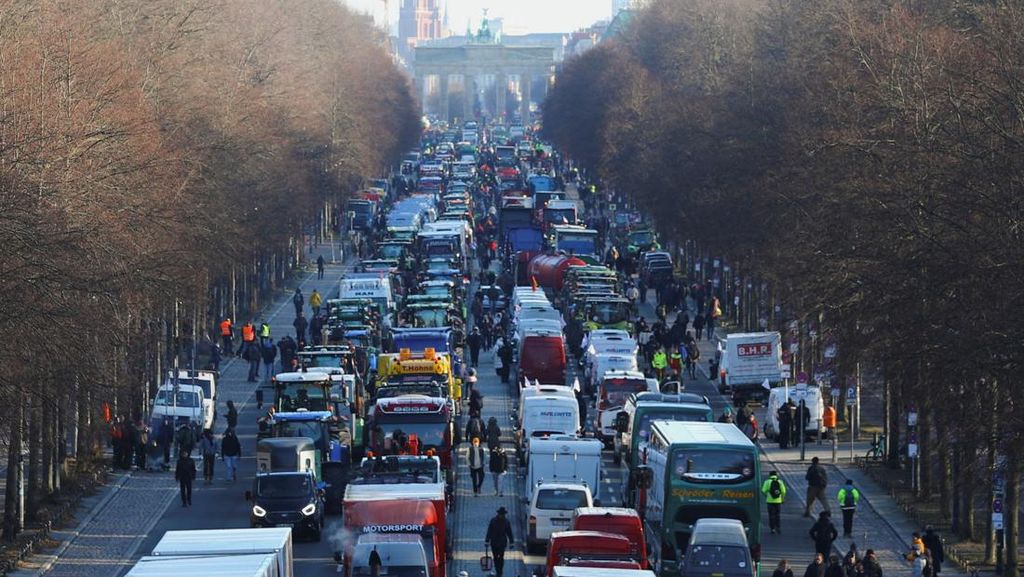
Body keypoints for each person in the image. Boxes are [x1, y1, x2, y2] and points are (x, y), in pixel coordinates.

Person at [485, 507, 514, 577]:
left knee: (501, 557)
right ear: (498, 514)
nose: (502, 516)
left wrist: (511, 542)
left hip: (502, 543)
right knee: (495, 557)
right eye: (501, 514)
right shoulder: (493, 521)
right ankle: (498, 570)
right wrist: (487, 541)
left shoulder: (506, 522)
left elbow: (509, 532)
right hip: (494, 542)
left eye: (503, 514)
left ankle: (500, 571)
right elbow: (489, 531)